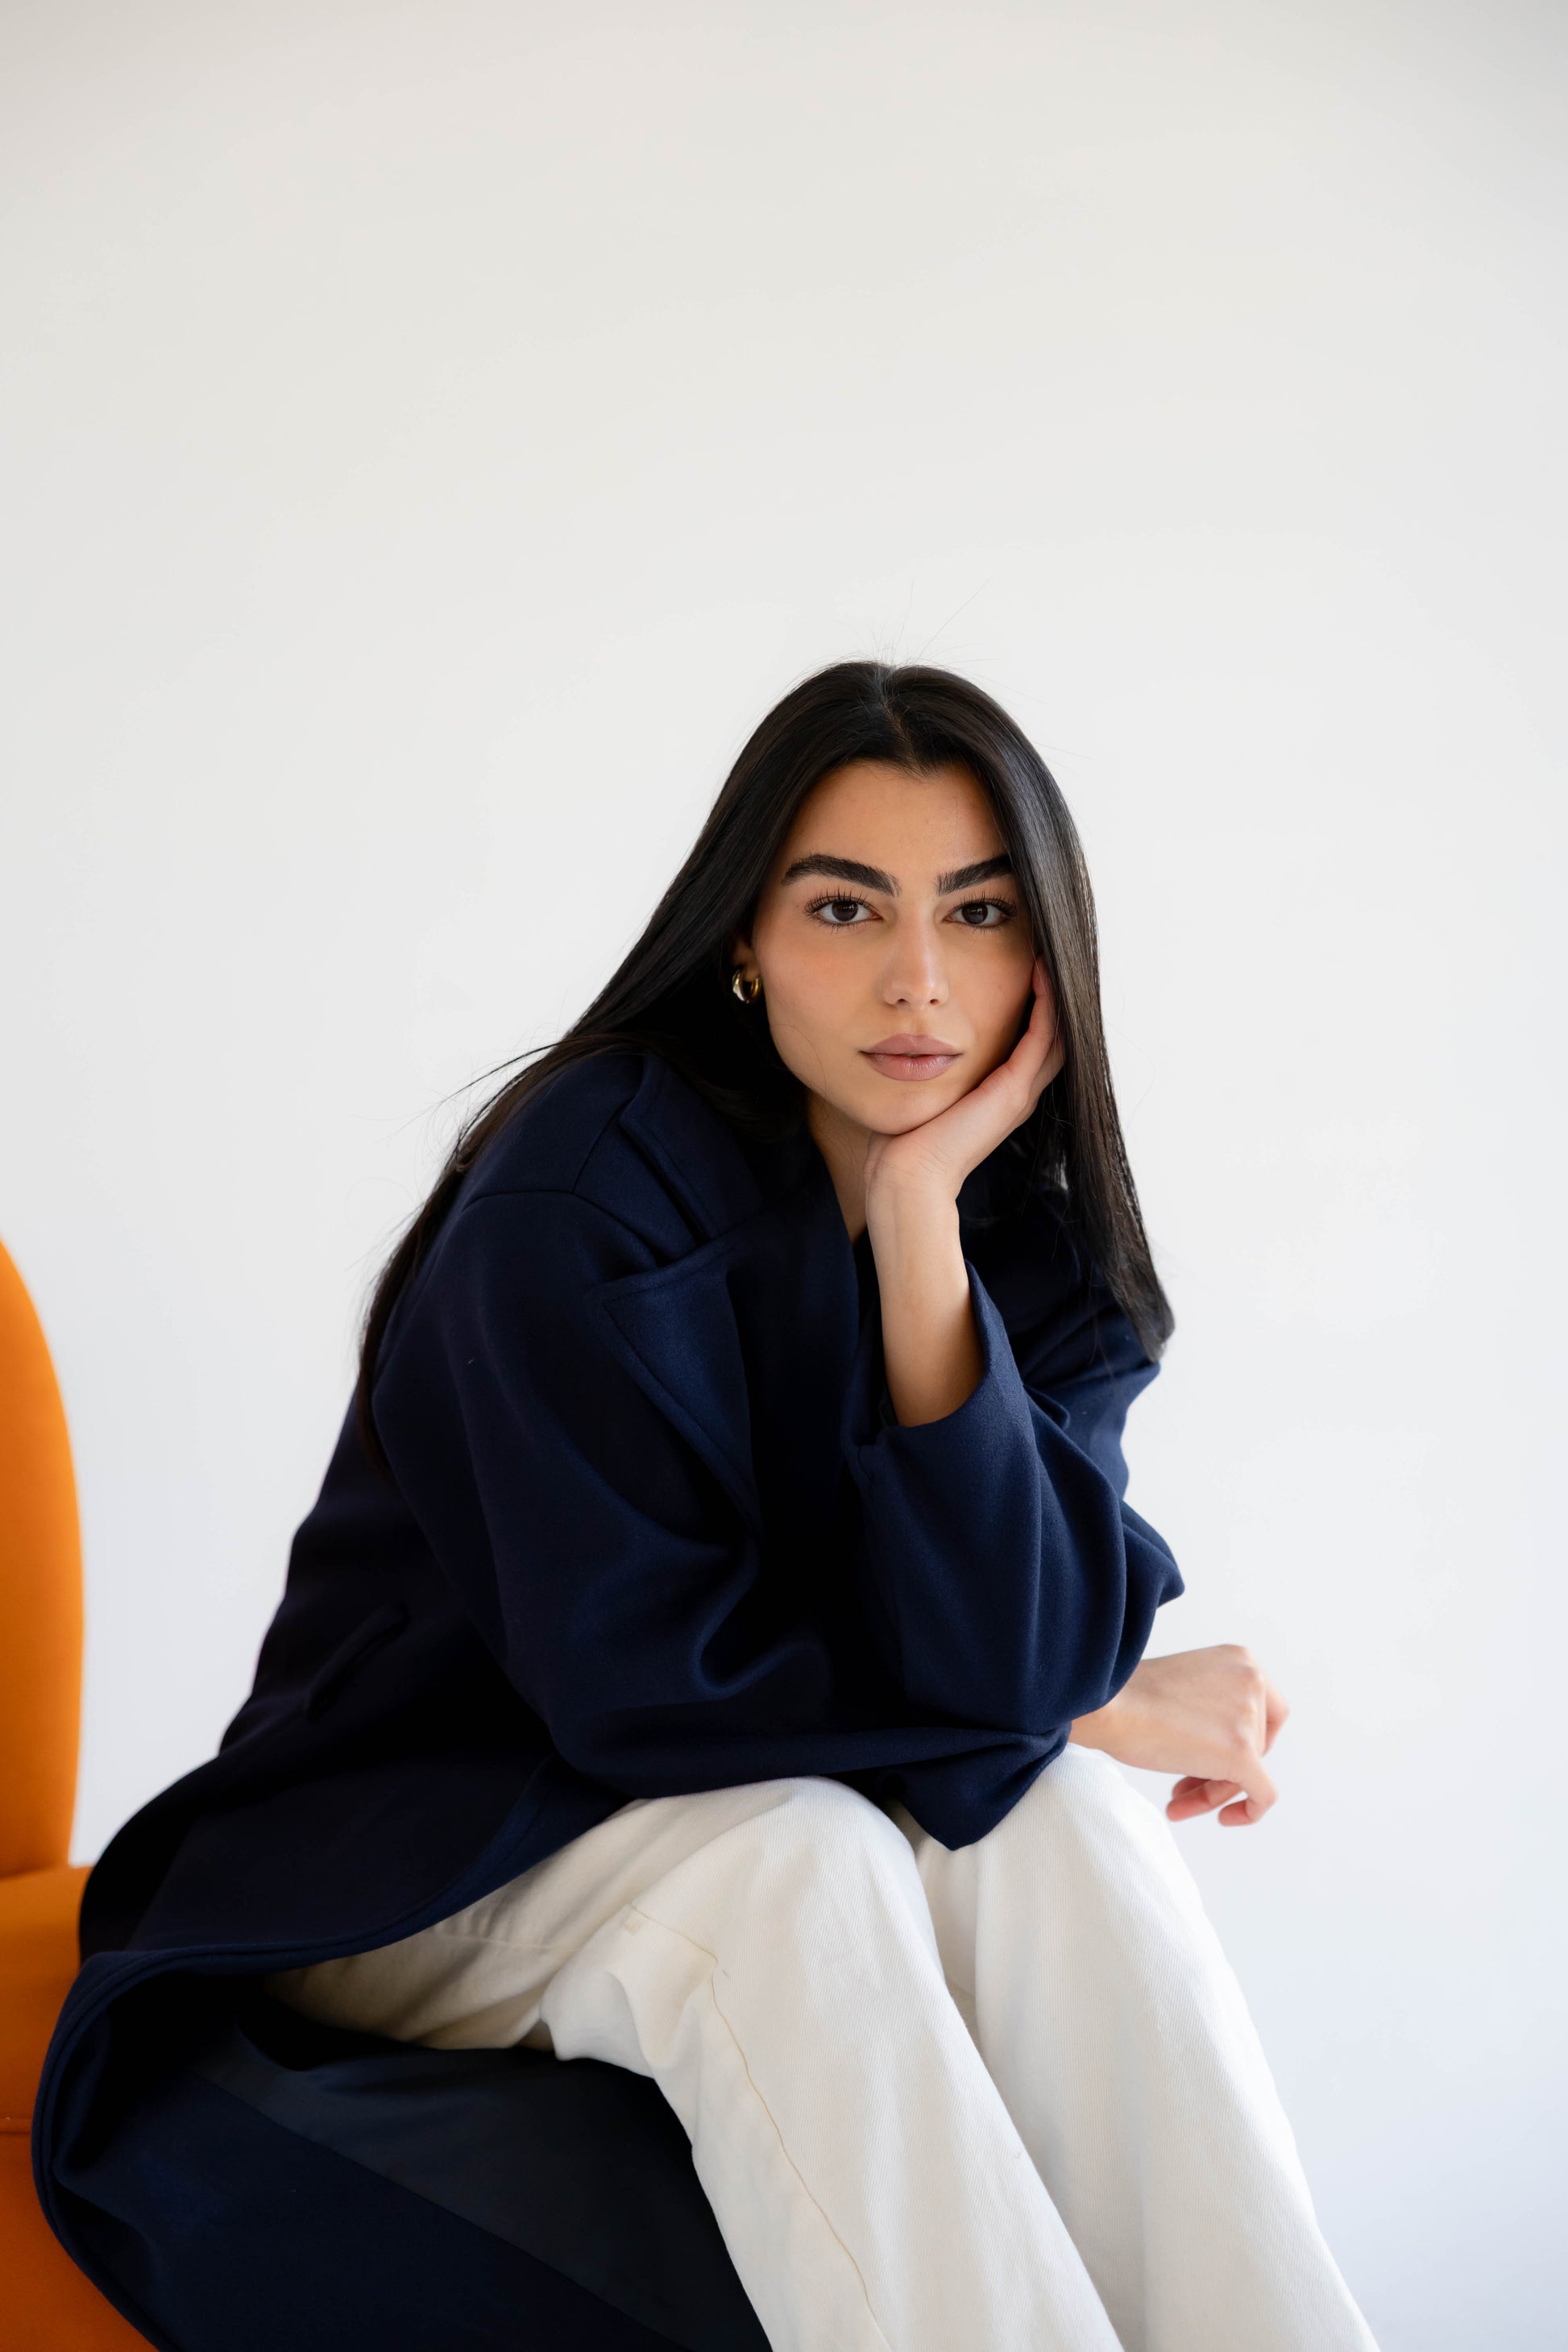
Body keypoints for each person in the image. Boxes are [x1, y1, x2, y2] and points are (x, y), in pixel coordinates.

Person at [39, 662, 1376, 2352]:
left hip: (697, 1813)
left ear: (1045, 957)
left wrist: (918, 1225)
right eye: (846, 906)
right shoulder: (581, 1190)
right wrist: (1095, 1698)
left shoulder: (1021, 1239)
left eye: (976, 913)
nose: (917, 978)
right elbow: (645, 1691)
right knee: (800, 1858)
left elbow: (1013, 1655)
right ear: (746, 936)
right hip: (412, 1847)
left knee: (1057, 1820)